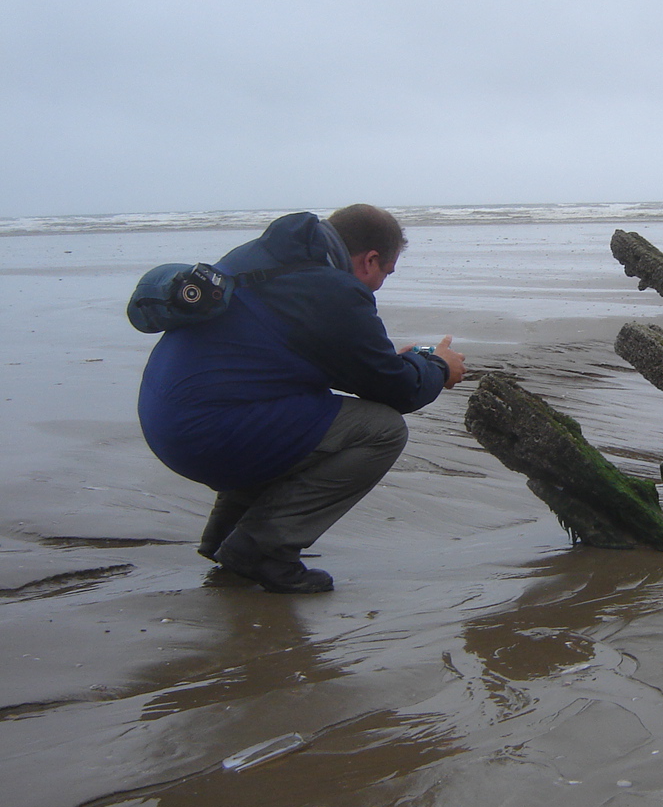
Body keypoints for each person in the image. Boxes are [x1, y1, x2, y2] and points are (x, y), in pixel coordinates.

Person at [137, 204, 465, 593]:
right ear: (370, 260)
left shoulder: (265, 254)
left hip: (165, 418)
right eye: (386, 273)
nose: (380, 285)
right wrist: (437, 366)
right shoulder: (333, 289)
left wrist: (396, 364)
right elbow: (400, 391)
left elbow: (282, 356)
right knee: (382, 430)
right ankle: (262, 549)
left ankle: (227, 537)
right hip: (206, 435)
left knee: (292, 407)